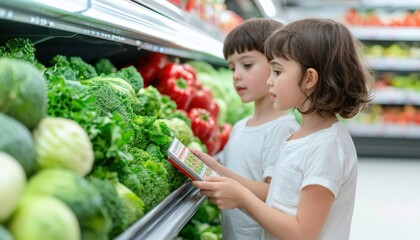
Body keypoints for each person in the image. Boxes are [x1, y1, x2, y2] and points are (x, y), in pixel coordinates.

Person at [192, 18, 373, 240]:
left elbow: (303, 233)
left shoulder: (327, 147)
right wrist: (217, 170)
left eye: (277, 71)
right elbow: (280, 200)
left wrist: (242, 198)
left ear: (309, 79)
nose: (270, 81)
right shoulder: (299, 136)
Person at [216, 18, 300, 240]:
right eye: (232, 67)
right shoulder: (239, 127)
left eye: (247, 65)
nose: (236, 75)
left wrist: (226, 180)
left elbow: (274, 194)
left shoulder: (283, 130)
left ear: (275, 65)